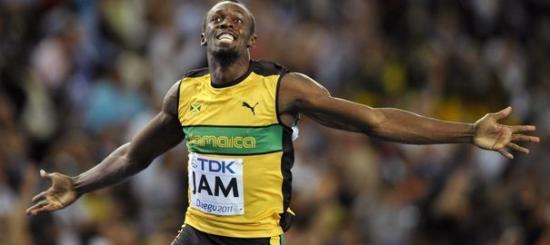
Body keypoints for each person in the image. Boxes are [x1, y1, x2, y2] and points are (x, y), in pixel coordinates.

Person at [26, 1, 540, 244]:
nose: (225, 21)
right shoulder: (185, 94)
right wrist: (80, 183)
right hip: (198, 234)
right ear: (203, 39)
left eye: (238, 20)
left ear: (252, 43)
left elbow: (376, 121)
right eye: (216, 19)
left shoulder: (283, 89)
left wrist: (467, 131)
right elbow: (135, 155)